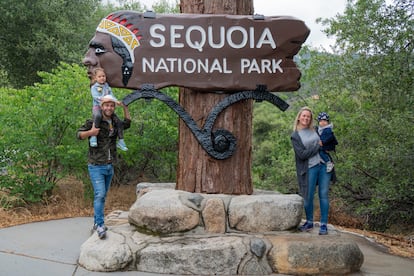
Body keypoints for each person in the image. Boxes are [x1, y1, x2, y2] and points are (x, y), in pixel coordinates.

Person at [77, 95, 131, 239]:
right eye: (106, 105)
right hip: (96, 165)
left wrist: (125, 107)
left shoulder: (115, 121)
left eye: (111, 105)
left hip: (109, 165)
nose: (109, 108)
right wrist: (91, 133)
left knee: (102, 196)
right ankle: (100, 225)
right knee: (100, 195)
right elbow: (79, 135)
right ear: (102, 106)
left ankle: (97, 222)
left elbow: (127, 123)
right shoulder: (94, 121)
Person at [291, 107, 332, 235]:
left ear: (311, 119)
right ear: (299, 117)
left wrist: (327, 146)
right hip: (309, 168)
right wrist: (317, 146)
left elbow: (327, 141)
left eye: (308, 116)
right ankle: (309, 222)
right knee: (308, 196)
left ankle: (324, 224)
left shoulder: (316, 130)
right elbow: (302, 154)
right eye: (304, 116)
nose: (306, 118)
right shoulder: (295, 135)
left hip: (324, 165)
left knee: (323, 194)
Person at [89, 67, 128, 151]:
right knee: (98, 116)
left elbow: (111, 95)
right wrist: (105, 99)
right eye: (100, 76)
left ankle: (121, 140)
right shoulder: (94, 87)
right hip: (98, 107)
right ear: (95, 78)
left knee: (118, 121)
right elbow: (96, 97)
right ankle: (93, 136)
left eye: (103, 76)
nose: (102, 78)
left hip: (107, 108)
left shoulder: (107, 86)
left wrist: (116, 101)